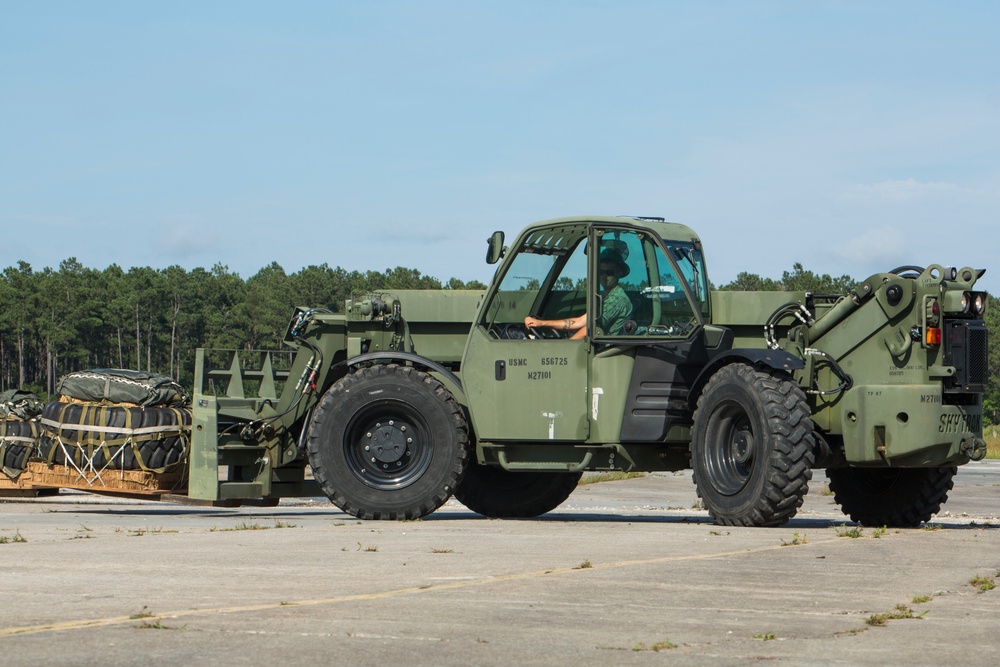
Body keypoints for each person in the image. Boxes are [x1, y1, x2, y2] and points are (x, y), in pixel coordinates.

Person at [524, 248, 633, 338]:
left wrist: (564, 348)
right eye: (601, 272)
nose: (604, 277)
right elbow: (580, 321)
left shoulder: (617, 299)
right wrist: (542, 323)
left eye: (609, 272)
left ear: (619, 273)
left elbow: (590, 327)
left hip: (608, 354)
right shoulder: (605, 296)